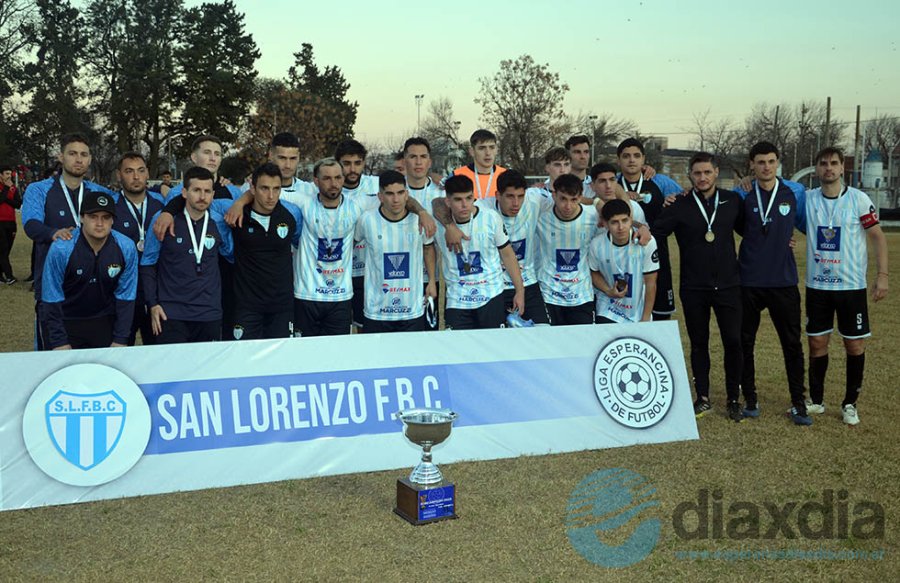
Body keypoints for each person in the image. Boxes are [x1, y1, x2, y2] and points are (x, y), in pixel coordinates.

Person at [291, 158, 434, 337]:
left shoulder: (357, 205)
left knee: (339, 353)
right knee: (306, 352)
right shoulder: (303, 202)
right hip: (307, 295)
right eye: (327, 178)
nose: (333, 183)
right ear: (316, 181)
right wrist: (242, 202)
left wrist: (421, 212)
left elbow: (399, 198)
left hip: (341, 297)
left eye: (337, 177)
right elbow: (263, 193)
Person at [652, 152, 745, 423]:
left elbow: (750, 233)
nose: (702, 178)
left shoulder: (732, 201)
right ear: (690, 176)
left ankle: (733, 399)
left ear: (716, 172)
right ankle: (702, 397)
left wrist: (783, 242)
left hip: (729, 284)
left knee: (733, 342)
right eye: (697, 173)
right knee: (699, 342)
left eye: (707, 172)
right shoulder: (678, 204)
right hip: (694, 286)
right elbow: (657, 232)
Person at [803, 147, 889, 426]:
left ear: (842, 169)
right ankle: (816, 401)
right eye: (823, 164)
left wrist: (883, 276)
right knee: (817, 343)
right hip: (817, 286)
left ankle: (850, 403)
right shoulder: (807, 199)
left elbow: (877, 237)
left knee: (854, 345)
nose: (829, 168)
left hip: (851, 288)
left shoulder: (859, 200)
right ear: (817, 169)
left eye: (834, 164)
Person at [733, 141, 811, 425]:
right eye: (760, 162)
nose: (766, 167)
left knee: (791, 343)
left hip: (783, 281)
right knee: (745, 342)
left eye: (771, 161)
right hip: (749, 281)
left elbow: (803, 224)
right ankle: (750, 399)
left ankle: (798, 403)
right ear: (751, 165)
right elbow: (738, 225)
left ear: (778, 162)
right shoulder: (741, 194)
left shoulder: (794, 193)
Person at [22, 133, 117, 350]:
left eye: (84, 154)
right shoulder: (39, 189)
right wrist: (54, 233)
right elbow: (31, 225)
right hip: (54, 288)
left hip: (95, 291)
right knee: (53, 355)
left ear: (90, 159)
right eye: (72, 153)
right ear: (61, 157)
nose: (78, 159)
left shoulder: (100, 193)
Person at [154, 135, 242, 338]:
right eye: (207, 152)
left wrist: (240, 202)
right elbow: (176, 204)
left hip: (225, 275)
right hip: (188, 282)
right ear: (194, 157)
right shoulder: (178, 192)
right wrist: (167, 211)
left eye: (217, 154)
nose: (213, 158)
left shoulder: (232, 192)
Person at [141, 167, 232, 344]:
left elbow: (231, 256)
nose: (202, 196)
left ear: (213, 194)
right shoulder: (162, 220)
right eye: (196, 190)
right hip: (171, 313)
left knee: (207, 371)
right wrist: (152, 304)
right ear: (184, 192)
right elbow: (148, 263)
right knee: (173, 371)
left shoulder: (219, 222)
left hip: (208, 313)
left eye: (207, 191)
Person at [40, 191, 137, 350]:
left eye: (106, 217)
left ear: (113, 220)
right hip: (66, 321)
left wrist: (121, 338)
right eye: (93, 216)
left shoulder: (126, 247)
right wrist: (59, 341)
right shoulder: (61, 248)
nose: (100, 223)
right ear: (82, 218)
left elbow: (126, 296)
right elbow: (51, 296)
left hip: (104, 321)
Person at [217, 163, 302, 340]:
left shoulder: (292, 213)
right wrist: (240, 202)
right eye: (264, 188)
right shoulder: (235, 212)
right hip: (246, 306)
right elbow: (201, 205)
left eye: (276, 189)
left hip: (282, 306)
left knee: (281, 363)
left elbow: (300, 241)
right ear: (252, 189)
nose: (271, 196)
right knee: (244, 362)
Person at [433, 175, 524, 329]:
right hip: (457, 299)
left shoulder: (490, 218)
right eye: (458, 200)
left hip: (491, 295)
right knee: (459, 350)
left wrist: (520, 290)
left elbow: (507, 254)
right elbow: (434, 204)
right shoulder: (438, 223)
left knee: (494, 349)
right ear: (448, 201)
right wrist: (449, 226)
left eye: (469, 198)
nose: (464, 205)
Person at [355, 170, 436, 332]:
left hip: (411, 310)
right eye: (390, 194)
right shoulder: (367, 220)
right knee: (377, 357)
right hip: (377, 311)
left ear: (407, 194)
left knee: (412, 356)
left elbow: (428, 248)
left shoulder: (419, 221)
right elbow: (352, 244)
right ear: (380, 196)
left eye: (400, 193)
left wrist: (432, 280)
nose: (396, 199)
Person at [616, 137, 676, 321]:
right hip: (622, 256)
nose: (631, 160)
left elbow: (685, 196)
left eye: (636, 156)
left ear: (643, 160)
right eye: (626, 156)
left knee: (659, 314)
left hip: (657, 253)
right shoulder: (612, 185)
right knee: (621, 311)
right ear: (618, 160)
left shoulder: (660, 181)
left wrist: (673, 200)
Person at [112, 152, 166, 346]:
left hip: (156, 292)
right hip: (122, 292)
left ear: (147, 173)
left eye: (141, 171)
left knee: (157, 352)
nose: (136, 177)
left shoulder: (162, 205)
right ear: (119, 175)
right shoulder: (111, 207)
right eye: (129, 171)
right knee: (121, 348)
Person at [535, 173, 600, 326]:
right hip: (549, 294)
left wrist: (642, 228)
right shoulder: (540, 215)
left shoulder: (594, 216)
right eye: (563, 199)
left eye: (574, 199)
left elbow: (620, 222)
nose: (568, 206)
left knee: (581, 346)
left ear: (581, 197)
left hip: (581, 295)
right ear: (554, 195)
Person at [334, 139, 382, 330]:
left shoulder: (377, 185)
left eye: (357, 163)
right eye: (346, 163)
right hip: (338, 272)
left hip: (368, 271)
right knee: (340, 329)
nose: (352, 169)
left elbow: (404, 195)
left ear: (364, 163)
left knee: (365, 326)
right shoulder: (325, 186)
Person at [589, 199, 659, 324]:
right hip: (609, 308)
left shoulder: (647, 242)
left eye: (625, 220)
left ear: (631, 219)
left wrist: (645, 318)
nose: (621, 227)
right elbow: (593, 272)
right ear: (605, 223)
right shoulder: (596, 244)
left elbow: (651, 283)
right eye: (614, 222)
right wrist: (607, 290)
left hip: (637, 308)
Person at [403, 137, 445, 330]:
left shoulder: (441, 192)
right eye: (413, 157)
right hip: (397, 276)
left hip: (429, 277)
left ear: (429, 162)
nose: (418, 162)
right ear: (405, 161)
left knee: (428, 334)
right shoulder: (394, 190)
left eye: (423, 157)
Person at [451, 129, 507, 199]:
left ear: (496, 150)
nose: (488, 153)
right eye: (482, 148)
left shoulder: (506, 175)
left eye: (492, 147)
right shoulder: (456, 176)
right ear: (472, 151)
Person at [0, 164, 21, 284]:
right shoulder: (7, 187)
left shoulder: (13, 187)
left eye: (10, 174)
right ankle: (9, 276)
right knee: (2, 249)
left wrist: (7, 197)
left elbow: (18, 204)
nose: (9, 176)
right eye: (6, 174)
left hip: (11, 222)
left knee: (6, 250)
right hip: (0, 222)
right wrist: (7, 190)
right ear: (1, 175)